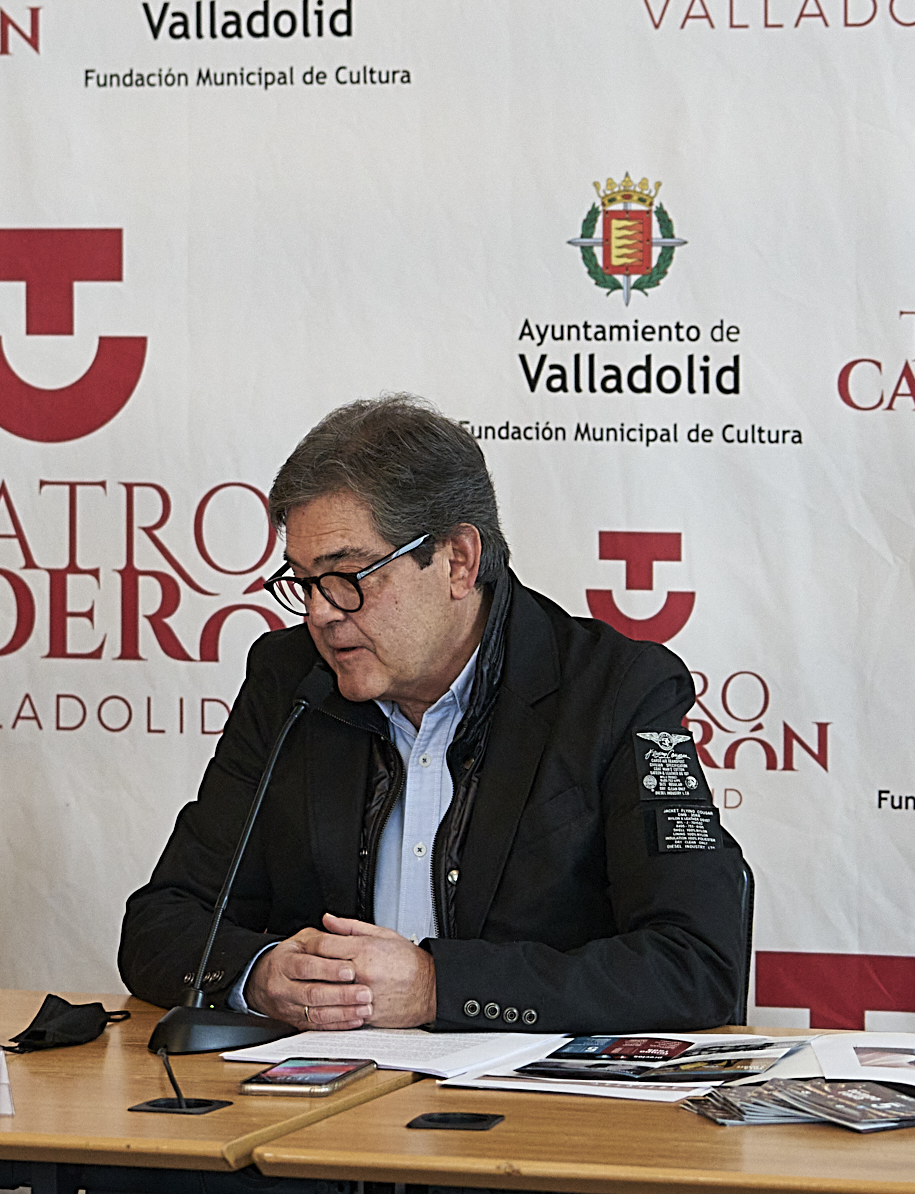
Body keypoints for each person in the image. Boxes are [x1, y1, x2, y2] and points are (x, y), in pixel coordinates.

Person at [119, 394, 746, 1034]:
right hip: (324, 1086)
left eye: (347, 577)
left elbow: (696, 963)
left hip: (520, 1094)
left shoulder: (616, 692)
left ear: (458, 561)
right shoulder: (292, 683)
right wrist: (258, 974)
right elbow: (160, 923)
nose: (320, 614)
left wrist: (438, 987)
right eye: (304, 582)